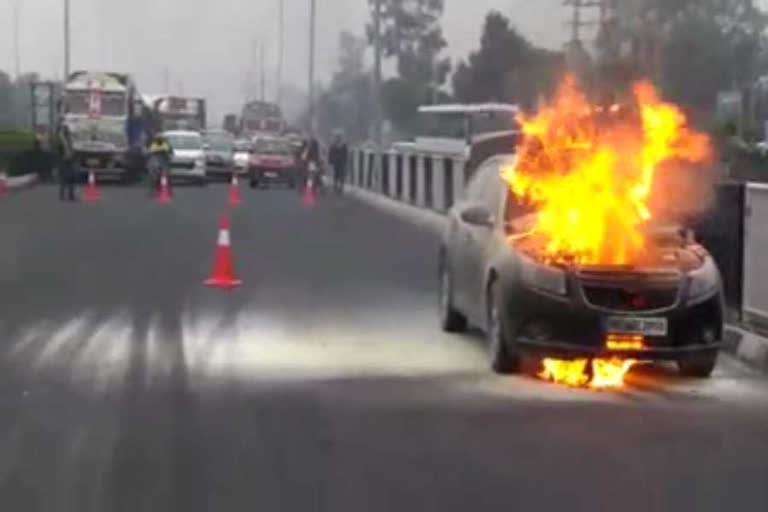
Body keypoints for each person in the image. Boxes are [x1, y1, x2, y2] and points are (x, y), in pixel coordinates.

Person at [56, 124, 76, 201]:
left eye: (67, 130)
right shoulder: (61, 140)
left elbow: (72, 150)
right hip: (64, 161)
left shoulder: (69, 140)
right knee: (64, 178)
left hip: (69, 160)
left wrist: (72, 155)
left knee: (71, 178)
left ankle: (70, 195)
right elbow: (59, 150)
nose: (68, 132)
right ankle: (63, 195)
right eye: (66, 131)